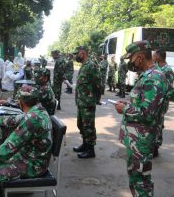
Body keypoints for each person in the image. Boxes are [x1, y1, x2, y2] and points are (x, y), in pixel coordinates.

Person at [0, 85, 52, 197]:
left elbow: (10, 146)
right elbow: (15, 120)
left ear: (21, 102)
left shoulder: (32, 120)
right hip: (31, 157)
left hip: (34, 165)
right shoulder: (38, 110)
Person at [114, 41, 168, 197]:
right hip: (136, 139)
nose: (130, 62)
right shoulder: (148, 76)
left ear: (139, 57)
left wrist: (124, 109)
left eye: (130, 58)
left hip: (141, 141)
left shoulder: (154, 78)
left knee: (140, 181)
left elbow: (147, 113)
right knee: (136, 179)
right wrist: (129, 104)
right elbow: (143, 104)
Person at [72, 45, 101, 159]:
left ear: (83, 53)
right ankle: (85, 145)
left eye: (77, 53)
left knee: (88, 126)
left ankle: (90, 150)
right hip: (81, 101)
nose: (76, 56)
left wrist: (95, 98)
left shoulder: (91, 65)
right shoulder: (84, 65)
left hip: (88, 102)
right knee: (81, 124)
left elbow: (98, 83)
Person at [152, 49, 174, 157]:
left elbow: (169, 89)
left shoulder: (167, 70)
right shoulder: (156, 66)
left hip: (161, 102)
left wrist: (162, 101)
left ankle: (156, 147)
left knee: (158, 124)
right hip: (153, 100)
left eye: (154, 54)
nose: (153, 55)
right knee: (153, 123)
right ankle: (152, 144)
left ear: (160, 56)